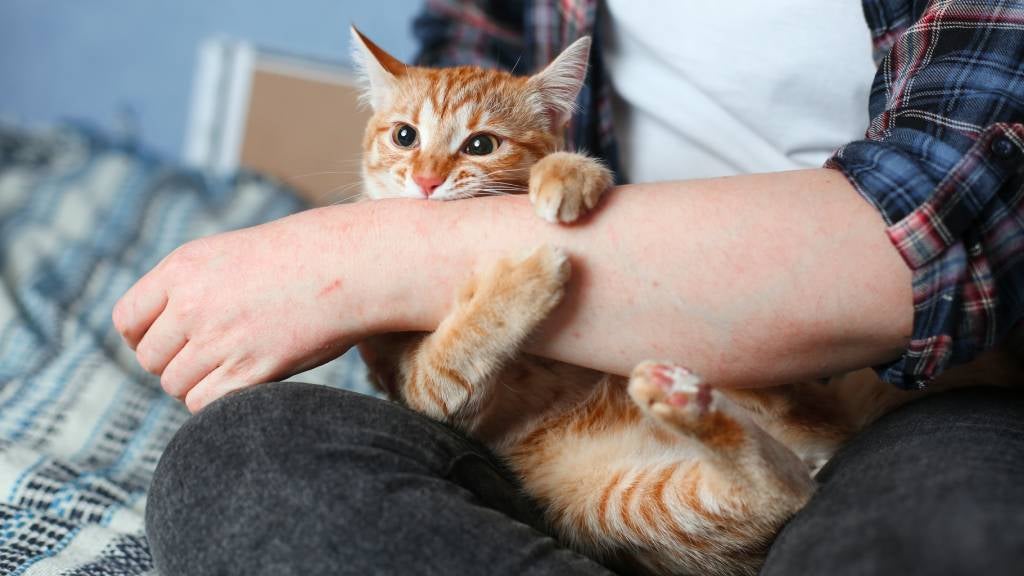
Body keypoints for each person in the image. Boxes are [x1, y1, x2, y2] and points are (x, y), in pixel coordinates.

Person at [126, 1, 1024, 574]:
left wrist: (364, 257)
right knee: (240, 465)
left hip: (886, 378)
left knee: (944, 540)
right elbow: (455, 73)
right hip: (587, 415)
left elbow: (933, 234)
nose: (429, 173)